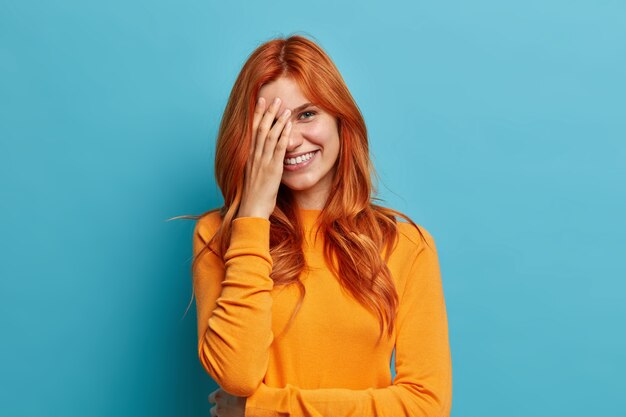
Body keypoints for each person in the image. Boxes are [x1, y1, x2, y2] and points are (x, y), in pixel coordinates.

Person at [191, 34, 452, 417]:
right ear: (248, 136)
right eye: (271, 123)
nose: (292, 140)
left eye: (307, 114)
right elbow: (238, 376)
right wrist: (254, 215)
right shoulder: (221, 234)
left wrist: (263, 409)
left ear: (339, 119)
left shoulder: (405, 245)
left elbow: (425, 406)